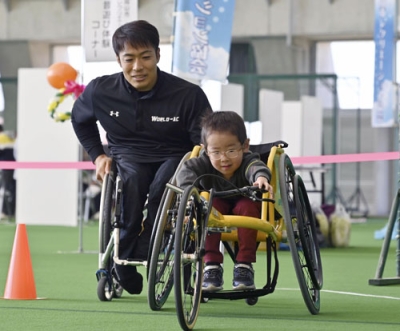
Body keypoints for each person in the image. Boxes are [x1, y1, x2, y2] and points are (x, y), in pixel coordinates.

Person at [71, 20, 212, 295]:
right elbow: (80, 121)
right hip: (128, 154)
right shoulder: (101, 91)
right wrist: (98, 155)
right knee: (133, 179)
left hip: (175, 154)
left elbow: (203, 142)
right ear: (118, 60)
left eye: (145, 57)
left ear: (158, 55)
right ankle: (122, 256)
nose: (138, 67)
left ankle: (149, 241)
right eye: (129, 59)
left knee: (164, 184)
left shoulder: (188, 95)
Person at [176, 111, 273, 292]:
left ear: (244, 146)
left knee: (247, 206)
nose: (224, 158)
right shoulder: (202, 162)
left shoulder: (248, 161)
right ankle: (211, 265)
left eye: (230, 150)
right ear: (205, 149)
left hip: (245, 201)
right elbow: (186, 171)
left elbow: (256, 168)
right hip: (216, 203)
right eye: (216, 152)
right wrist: (190, 194)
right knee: (207, 207)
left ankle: (244, 265)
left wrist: (260, 178)